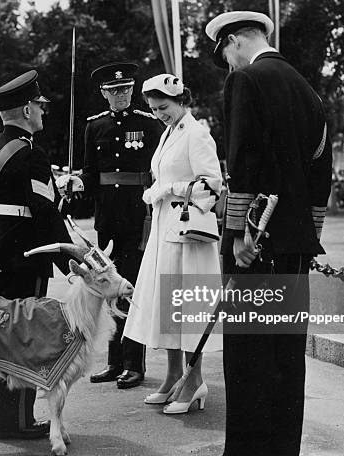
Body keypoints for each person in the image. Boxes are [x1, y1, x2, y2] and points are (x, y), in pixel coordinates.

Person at [205, 11, 332, 456]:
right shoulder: (308, 88)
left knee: (248, 360)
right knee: (286, 359)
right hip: (295, 244)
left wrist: (237, 233)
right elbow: (322, 173)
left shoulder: (247, 81)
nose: (227, 62)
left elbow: (244, 159)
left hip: (255, 244)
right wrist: (309, 234)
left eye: (225, 51)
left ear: (236, 40)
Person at [0, 69, 73, 440]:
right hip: (21, 257)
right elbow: (44, 213)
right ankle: (18, 422)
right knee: (23, 336)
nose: (43, 112)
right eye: (40, 106)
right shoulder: (31, 154)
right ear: (27, 110)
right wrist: (71, 262)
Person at [56, 62, 164, 389]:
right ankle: (114, 362)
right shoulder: (94, 127)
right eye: (114, 91)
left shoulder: (148, 124)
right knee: (107, 289)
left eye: (126, 90)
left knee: (131, 288)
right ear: (104, 93)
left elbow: (157, 170)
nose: (121, 96)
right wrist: (75, 183)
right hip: (108, 219)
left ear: (132, 90)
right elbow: (91, 173)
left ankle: (134, 363)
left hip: (137, 217)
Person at [123, 74, 222, 413]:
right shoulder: (168, 133)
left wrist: (173, 189)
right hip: (165, 229)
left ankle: (194, 382)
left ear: (181, 100)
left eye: (163, 107)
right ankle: (173, 376)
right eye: (153, 109)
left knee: (187, 307)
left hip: (188, 234)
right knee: (167, 305)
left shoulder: (197, 133)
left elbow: (213, 186)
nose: (158, 114)